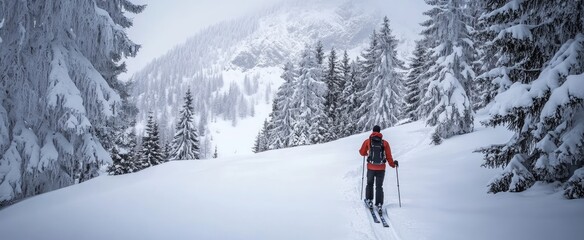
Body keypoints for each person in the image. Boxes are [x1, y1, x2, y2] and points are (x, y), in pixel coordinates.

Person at [359, 125, 398, 210]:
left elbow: (362, 152)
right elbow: (388, 156)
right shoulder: (385, 143)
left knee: (370, 184)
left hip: (371, 167)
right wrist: (393, 164)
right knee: (379, 186)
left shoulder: (368, 141)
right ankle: (379, 203)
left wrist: (367, 154)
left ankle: (369, 200)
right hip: (381, 168)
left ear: (372, 131)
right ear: (380, 132)